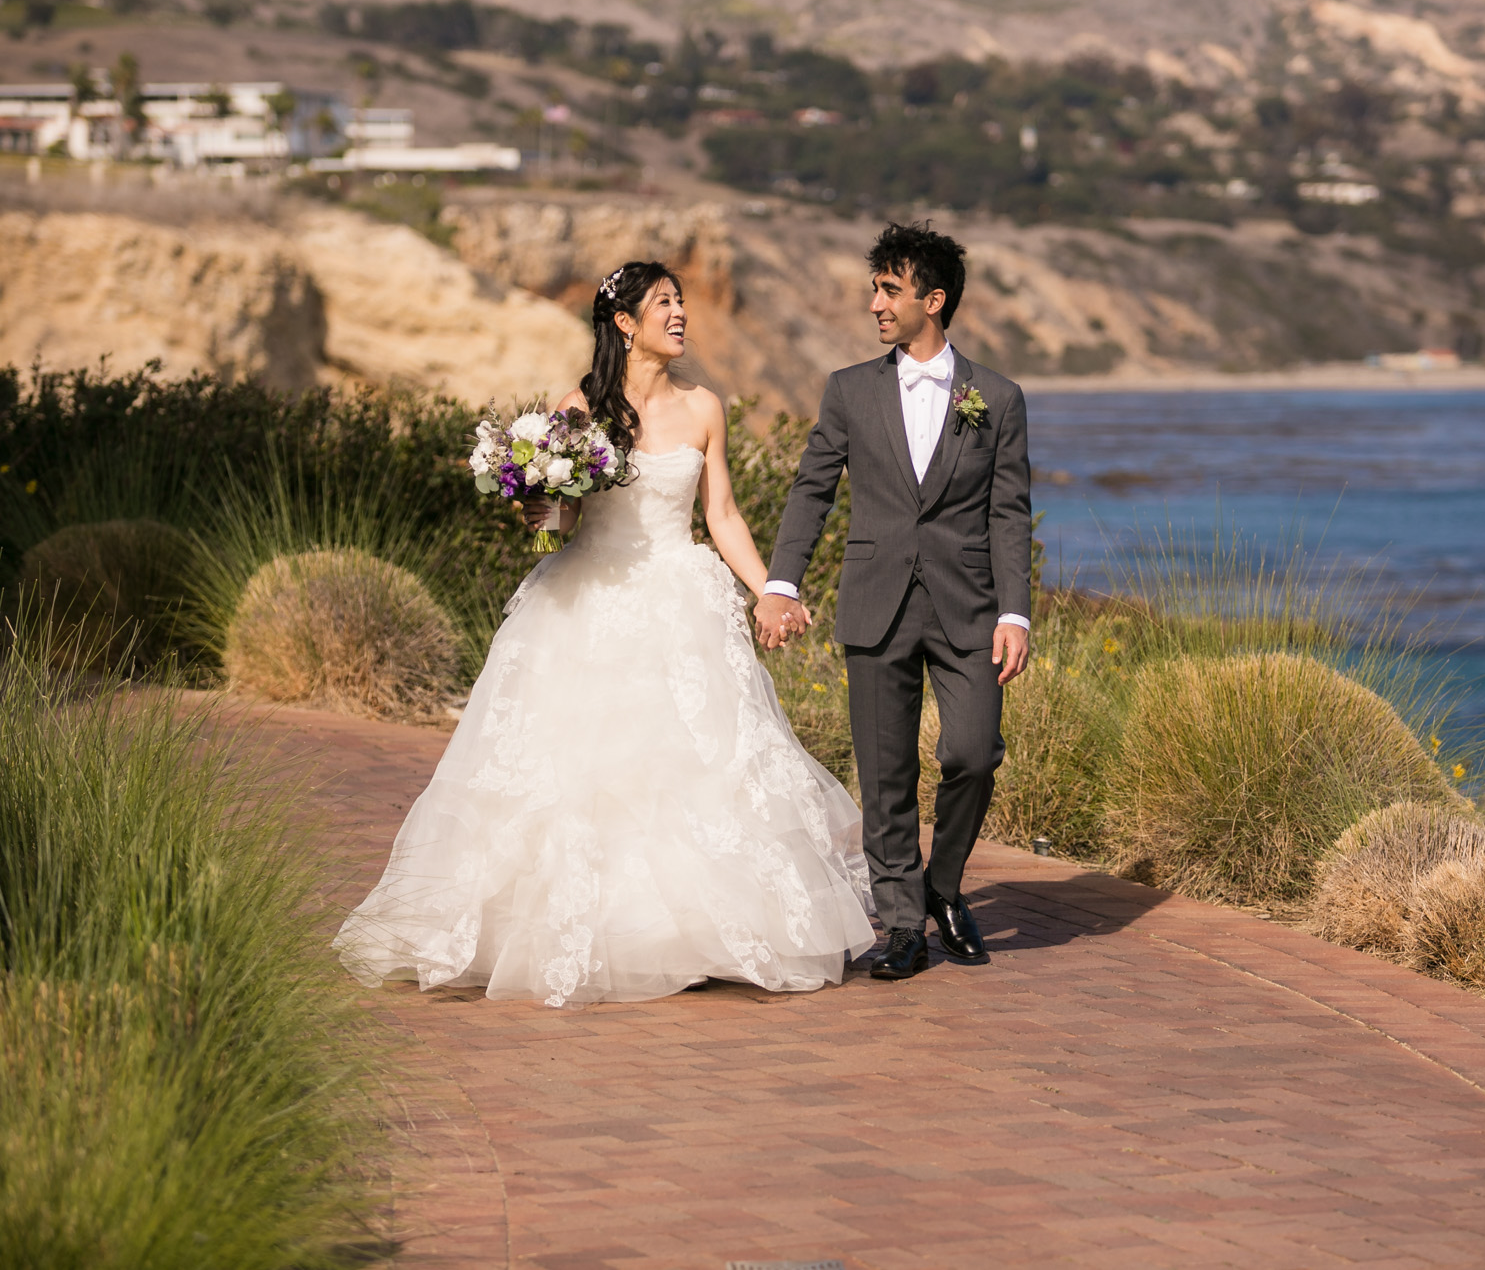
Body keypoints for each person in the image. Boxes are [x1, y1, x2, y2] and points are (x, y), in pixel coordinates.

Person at [334, 262, 875, 1008]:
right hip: (589, 595)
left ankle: (699, 934)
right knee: (582, 776)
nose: (680, 313)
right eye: (664, 303)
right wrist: (538, 497)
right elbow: (557, 526)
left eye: (681, 301)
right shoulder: (580, 407)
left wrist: (769, 591)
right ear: (626, 322)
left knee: (693, 768)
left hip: (681, 598)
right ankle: (600, 936)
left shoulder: (704, 406)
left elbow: (721, 516)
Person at [756, 222, 1033, 981]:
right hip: (875, 599)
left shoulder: (997, 398)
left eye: (890, 288)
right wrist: (783, 581)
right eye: (875, 286)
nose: (875, 301)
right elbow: (813, 487)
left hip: (969, 607)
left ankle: (942, 886)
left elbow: (1009, 512)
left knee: (974, 753)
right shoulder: (849, 389)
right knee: (884, 775)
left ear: (932, 300)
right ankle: (903, 924)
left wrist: (1016, 612)